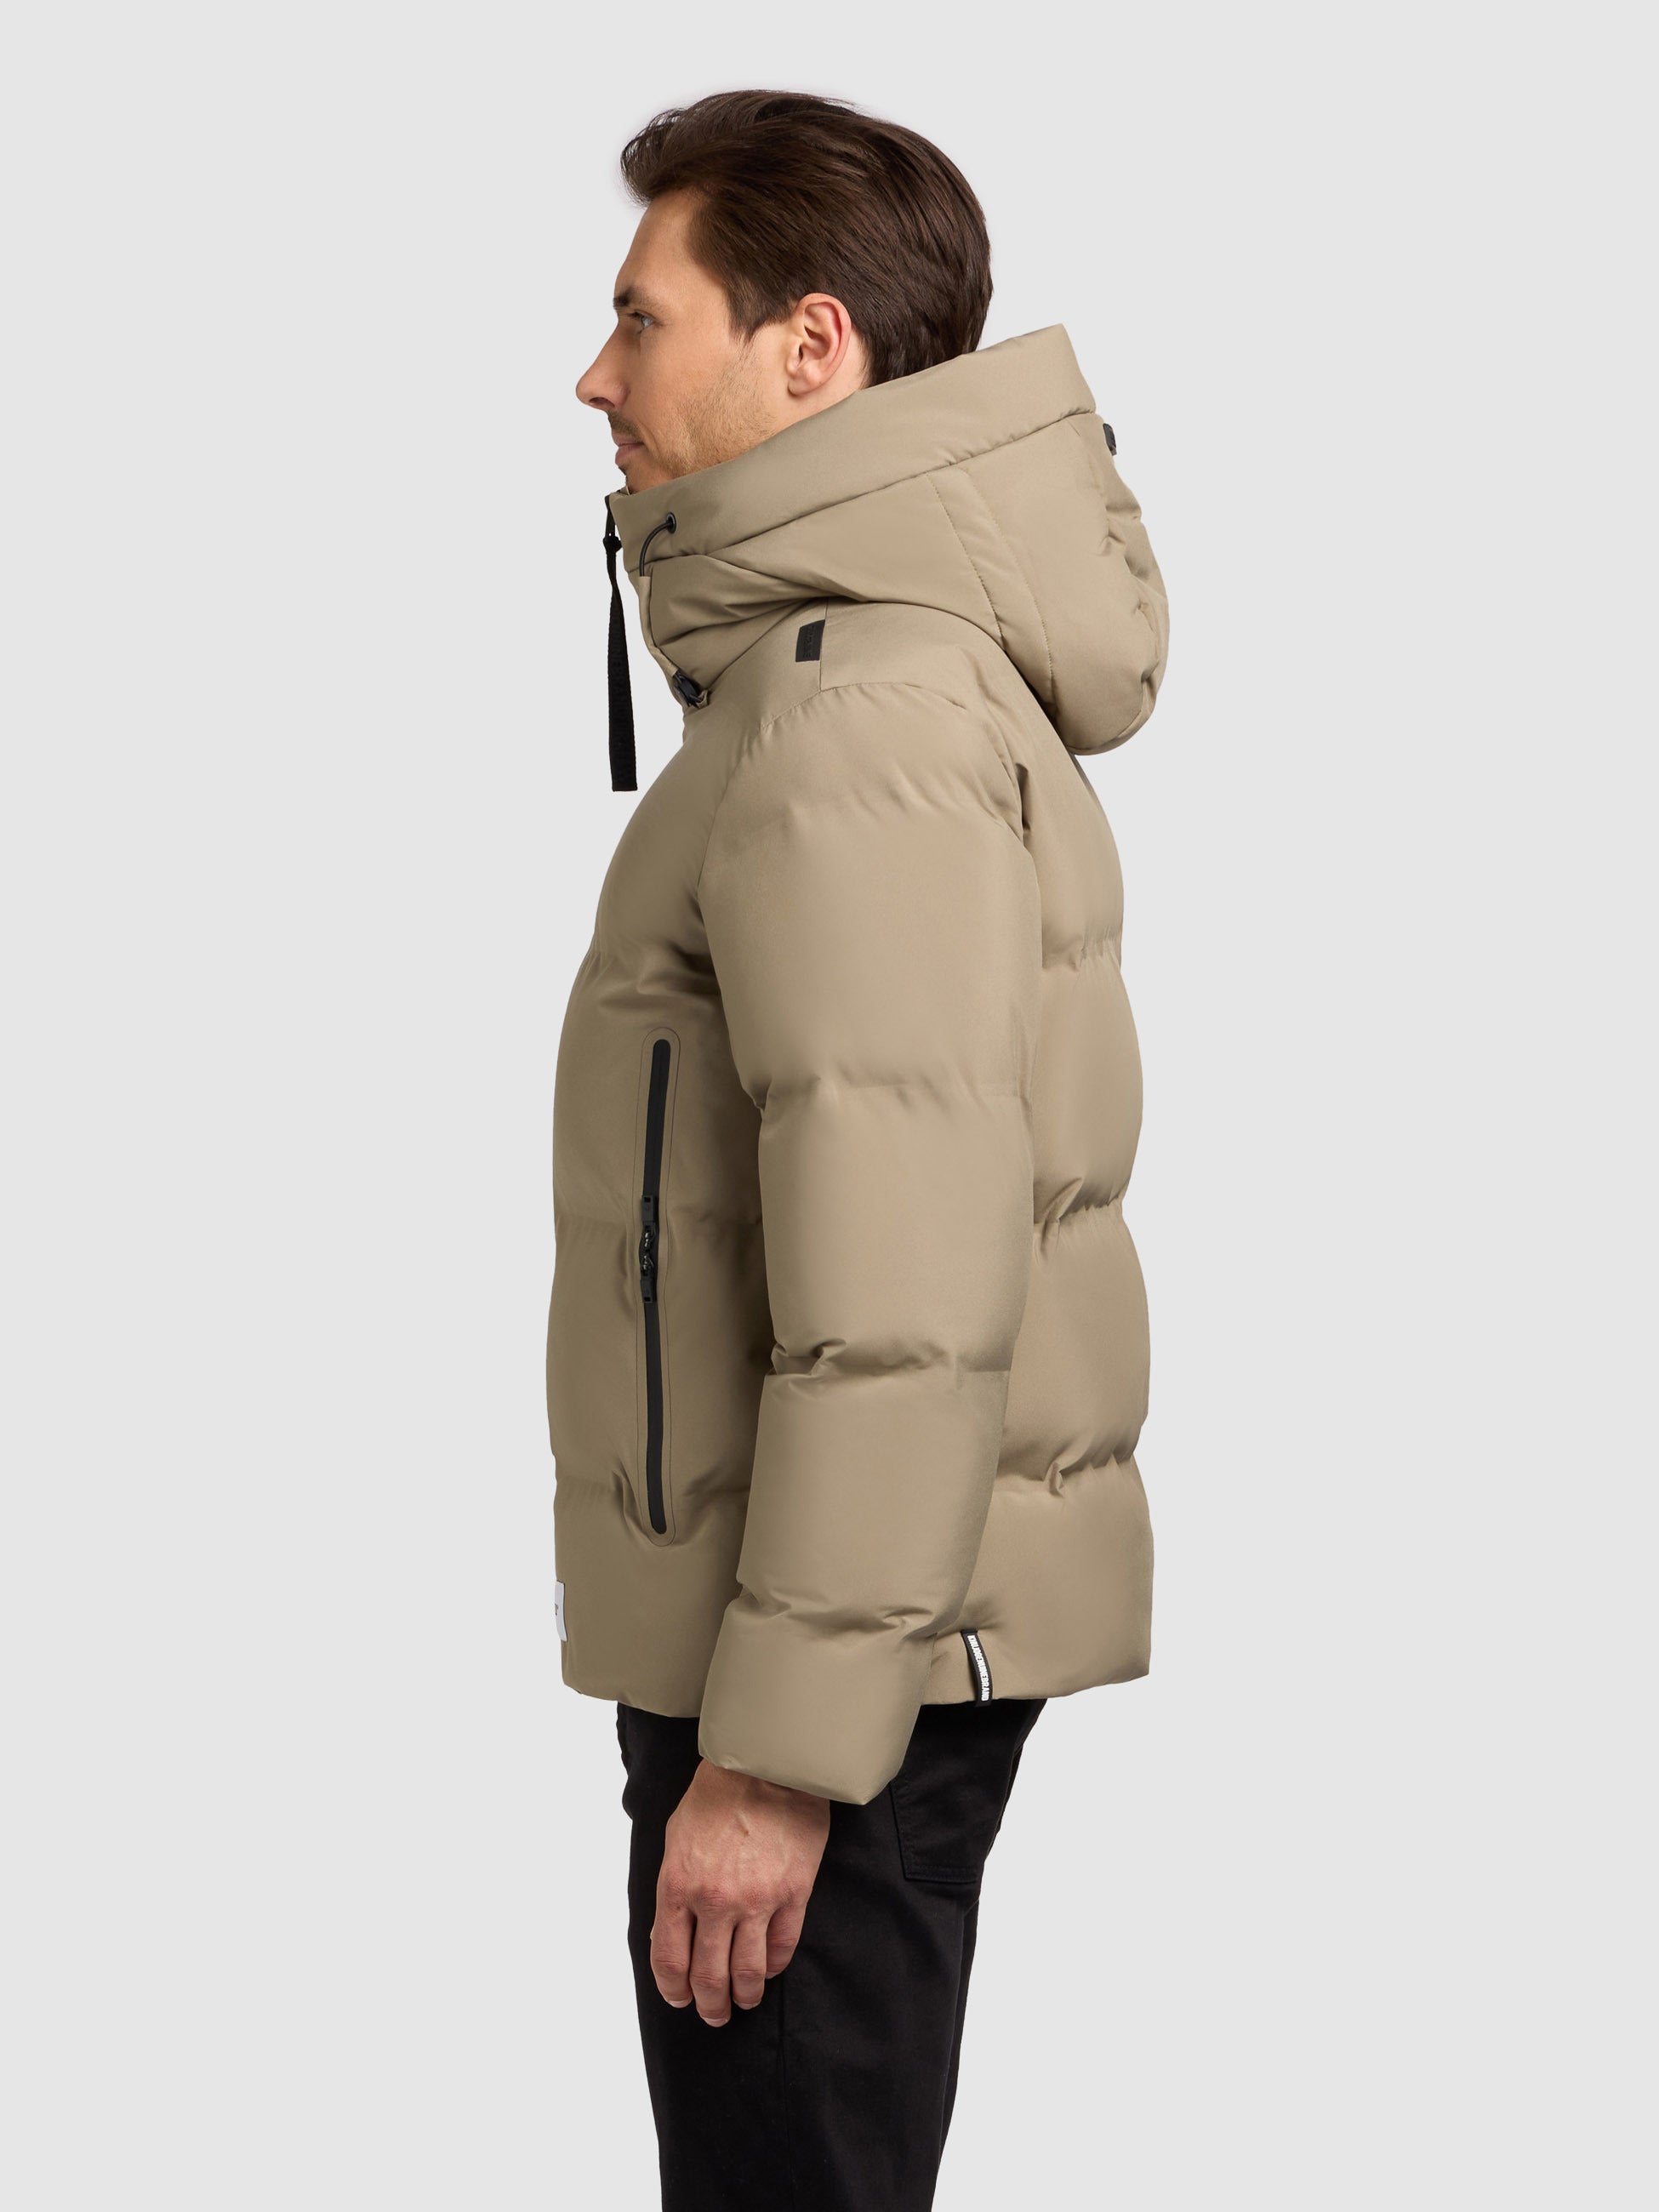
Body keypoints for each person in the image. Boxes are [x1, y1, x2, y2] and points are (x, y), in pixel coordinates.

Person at [547, 88, 1170, 2212]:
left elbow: (900, 1285)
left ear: (811, 347)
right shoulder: (852, 685)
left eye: (642, 318)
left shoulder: (854, 708)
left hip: (827, 1678)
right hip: (836, 1642)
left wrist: (776, 1756)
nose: (594, 376)